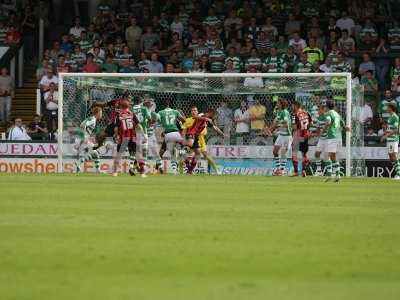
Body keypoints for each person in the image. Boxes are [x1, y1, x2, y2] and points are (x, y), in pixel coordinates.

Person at [183, 107, 225, 175]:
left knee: (199, 154)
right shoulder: (202, 115)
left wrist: (222, 134)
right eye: (214, 115)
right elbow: (195, 117)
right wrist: (206, 118)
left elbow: (215, 127)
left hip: (199, 138)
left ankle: (189, 171)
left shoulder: (207, 120)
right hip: (192, 134)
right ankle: (181, 152)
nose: (214, 116)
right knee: (189, 149)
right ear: (210, 113)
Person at [112, 99, 144, 177]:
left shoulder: (118, 115)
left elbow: (116, 128)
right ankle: (131, 167)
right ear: (128, 106)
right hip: (132, 136)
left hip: (123, 137)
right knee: (133, 153)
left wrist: (115, 135)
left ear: (121, 106)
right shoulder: (132, 114)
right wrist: (143, 135)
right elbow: (139, 125)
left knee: (119, 154)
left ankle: (115, 172)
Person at [265, 98, 292, 176]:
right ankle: (278, 169)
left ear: (281, 104)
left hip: (287, 136)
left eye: (278, 103)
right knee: (275, 151)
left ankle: (282, 171)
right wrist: (269, 130)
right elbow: (275, 124)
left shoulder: (285, 112)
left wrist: (277, 128)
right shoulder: (279, 112)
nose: (276, 104)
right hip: (281, 135)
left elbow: (286, 124)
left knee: (283, 153)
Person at [158, 101, 186, 174]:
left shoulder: (161, 112)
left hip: (169, 134)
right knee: (177, 151)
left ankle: (160, 165)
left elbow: (158, 121)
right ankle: (180, 164)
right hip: (176, 134)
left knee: (164, 152)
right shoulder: (176, 113)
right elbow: (183, 123)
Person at [75, 106, 104, 173]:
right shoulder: (93, 120)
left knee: (94, 154)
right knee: (95, 153)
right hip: (82, 139)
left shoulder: (91, 119)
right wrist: (83, 137)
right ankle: (79, 163)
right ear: (98, 113)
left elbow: (83, 125)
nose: (101, 114)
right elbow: (83, 125)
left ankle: (79, 165)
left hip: (80, 138)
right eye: (101, 113)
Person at [323, 100, 344, 182]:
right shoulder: (337, 114)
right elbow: (342, 123)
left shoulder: (328, 114)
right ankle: (337, 175)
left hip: (332, 136)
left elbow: (328, 121)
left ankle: (330, 174)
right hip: (339, 136)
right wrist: (345, 128)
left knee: (329, 156)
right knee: (333, 156)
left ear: (327, 106)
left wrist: (323, 130)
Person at [291, 101, 312, 177]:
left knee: (294, 153)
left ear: (296, 106)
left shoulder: (294, 114)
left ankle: (296, 172)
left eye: (292, 106)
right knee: (304, 154)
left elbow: (294, 127)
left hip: (298, 135)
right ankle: (303, 170)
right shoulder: (306, 113)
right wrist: (306, 130)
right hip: (305, 135)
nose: (292, 107)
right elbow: (310, 123)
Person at [380, 103, 400, 180]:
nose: (386, 109)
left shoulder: (395, 117)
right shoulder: (390, 117)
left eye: (388, 107)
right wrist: (384, 131)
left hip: (393, 139)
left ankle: (399, 174)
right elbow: (390, 129)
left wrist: (386, 136)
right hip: (389, 139)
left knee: (394, 156)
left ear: (391, 108)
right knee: (391, 157)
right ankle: (398, 173)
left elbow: (396, 130)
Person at [313, 105, 329, 176]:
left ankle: (329, 171)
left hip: (328, 139)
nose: (318, 112)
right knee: (317, 154)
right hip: (321, 139)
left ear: (323, 110)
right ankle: (319, 171)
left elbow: (328, 126)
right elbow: (318, 129)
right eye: (317, 110)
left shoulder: (327, 117)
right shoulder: (318, 118)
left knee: (327, 156)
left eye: (319, 110)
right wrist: (313, 134)